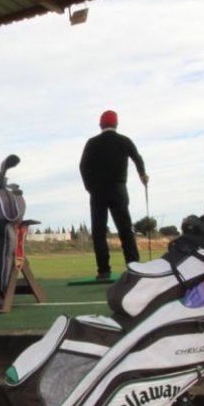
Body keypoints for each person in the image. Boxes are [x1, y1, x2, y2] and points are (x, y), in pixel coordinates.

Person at [79, 110, 149, 280]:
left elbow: (83, 166)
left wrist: (90, 187)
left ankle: (103, 270)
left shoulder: (92, 143)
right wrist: (142, 175)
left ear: (100, 124)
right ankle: (134, 267)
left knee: (99, 231)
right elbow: (137, 158)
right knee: (125, 229)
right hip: (118, 189)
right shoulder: (124, 141)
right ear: (116, 124)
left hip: (98, 191)